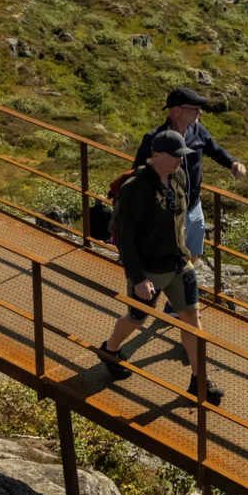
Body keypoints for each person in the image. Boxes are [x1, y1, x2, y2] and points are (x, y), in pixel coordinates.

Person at [94, 129, 223, 405]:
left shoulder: (179, 176)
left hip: (179, 265)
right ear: (157, 156)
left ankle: (199, 380)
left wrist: (186, 255)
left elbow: (180, 218)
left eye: (182, 156)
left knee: (192, 318)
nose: (180, 161)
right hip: (149, 270)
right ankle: (110, 349)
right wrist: (138, 278)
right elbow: (125, 239)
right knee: (137, 319)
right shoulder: (136, 189)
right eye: (175, 156)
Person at [133, 86, 246, 264]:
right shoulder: (155, 139)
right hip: (167, 209)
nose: (199, 112)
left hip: (193, 205)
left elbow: (214, 149)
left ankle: (184, 284)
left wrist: (232, 163)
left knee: (192, 250)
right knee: (165, 254)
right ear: (177, 111)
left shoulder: (198, 130)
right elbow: (137, 173)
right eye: (194, 108)